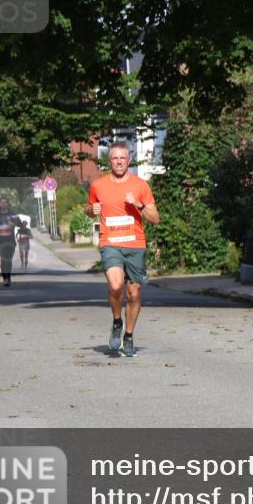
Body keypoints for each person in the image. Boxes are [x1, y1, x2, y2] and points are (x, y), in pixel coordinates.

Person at [86, 142, 159, 357]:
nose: (118, 162)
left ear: (128, 161)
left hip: (135, 245)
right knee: (116, 285)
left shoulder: (141, 185)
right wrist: (92, 209)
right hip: (110, 243)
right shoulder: (98, 185)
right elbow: (90, 209)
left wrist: (138, 204)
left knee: (134, 293)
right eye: (115, 158)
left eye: (122, 158)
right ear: (109, 162)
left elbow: (155, 219)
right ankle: (117, 321)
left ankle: (128, 335)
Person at [0, 197, 23, 287]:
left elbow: (20, 224)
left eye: (5, 203)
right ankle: (5, 278)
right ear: (0, 204)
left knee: (8, 260)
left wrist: (12, 224)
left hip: (10, 240)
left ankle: (8, 277)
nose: (3, 204)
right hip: (0, 241)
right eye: (2, 202)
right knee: (3, 260)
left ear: (8, 204)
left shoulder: (12, 214)